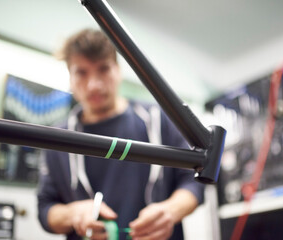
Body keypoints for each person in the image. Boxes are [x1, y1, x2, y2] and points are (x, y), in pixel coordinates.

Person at [37, 28, 204, 240]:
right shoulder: (55, 139)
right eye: (82, 72)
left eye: (103, 69)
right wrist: (73, 214)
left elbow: (194, 181)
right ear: (70, 77)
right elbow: (45, 209)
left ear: (118, 69)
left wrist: (170, 211)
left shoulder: (158, 119)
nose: (94, 85)